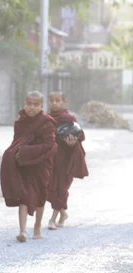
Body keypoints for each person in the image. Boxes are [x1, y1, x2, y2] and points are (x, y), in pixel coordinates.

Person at [0, 91, 57, 242]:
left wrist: (27, 151)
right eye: (29, 104)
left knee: (40, 195)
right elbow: (17, 141)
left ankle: (37, 228)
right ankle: (23, 231)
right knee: (23, 195)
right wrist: (13, 154)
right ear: (24, 104)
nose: (31, 108)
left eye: (35, 105)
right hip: (23, 163)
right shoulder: (20, 122)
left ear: (41, 106)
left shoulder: (46, 122)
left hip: (41, 163)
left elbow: (50, 145)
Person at [47, 91, 88, 230]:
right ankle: (63, 212)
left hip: (66, 159)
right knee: (49, 188)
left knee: (61, 189)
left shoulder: (69, 118)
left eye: (58, 100)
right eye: (51, 100)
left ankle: (52, 219)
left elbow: (81, 135)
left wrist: (72, 143)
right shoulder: (46, 118)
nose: (54, 103)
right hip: (50, 159)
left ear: (64, 102)